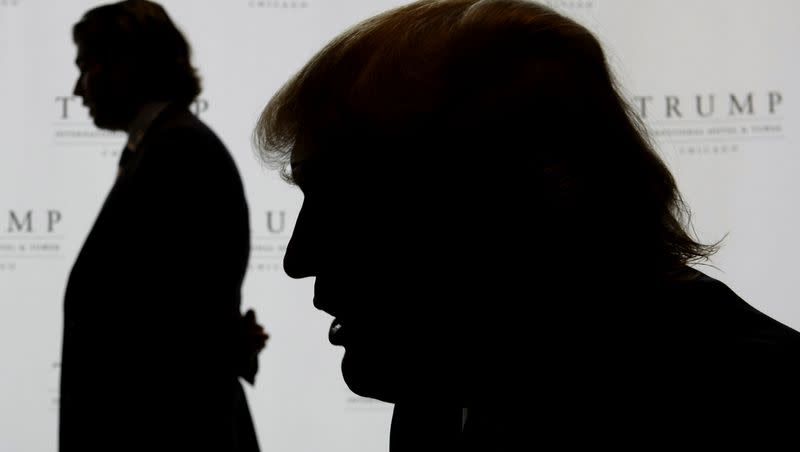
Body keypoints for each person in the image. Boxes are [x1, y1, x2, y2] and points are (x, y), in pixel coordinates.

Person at [254, 0, 800, 449]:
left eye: (351, 205)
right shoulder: (449, 392)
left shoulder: (753, 405)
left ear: (514, 206)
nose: (296, 258)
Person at [61, 1, 266, 451]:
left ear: (127, 63)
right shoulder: (165, 147)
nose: (78, 88)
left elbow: (172, 335)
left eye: (87, 66)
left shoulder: (178, 152)